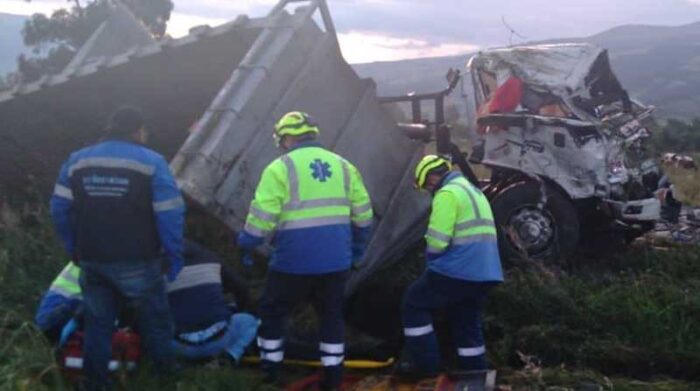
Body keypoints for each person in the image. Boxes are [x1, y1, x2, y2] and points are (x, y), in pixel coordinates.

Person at [50, 106, 185, 390]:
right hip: (138, 259)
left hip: (92, 259)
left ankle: (93, 383)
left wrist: (73, 246)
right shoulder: (152, 162)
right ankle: (167, 380)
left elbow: (59, 209)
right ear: (137, 131)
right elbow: (170, 213)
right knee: (156, 323)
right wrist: (173, 255)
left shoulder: (77, 161)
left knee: (98, 326)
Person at [237, 111, 373, 389]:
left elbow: (262, 217)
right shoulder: (344, 166)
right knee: (331, 317)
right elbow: (364, 217)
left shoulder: (280, 168)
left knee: (273, 312)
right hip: (336, 262)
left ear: (286, 138)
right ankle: (334, 379)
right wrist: (356, 251)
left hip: (292, 261)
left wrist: (246, 244)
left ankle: (270, 375)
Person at [35, 241, 258, 365]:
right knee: (249, 320)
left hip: (177, 346)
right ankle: (231, 356)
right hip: (219, 340)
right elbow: (242, 290)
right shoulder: (210, 257)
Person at [399, 155, 503, 378]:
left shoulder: (447, 194)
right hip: (487, 272)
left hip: (459, 270)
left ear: (433, 177)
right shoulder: (472, 190)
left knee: (414, 302)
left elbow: (437, 242)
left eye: (427, 186)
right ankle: (474, 372)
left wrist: (428, 261)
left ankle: (424, 366)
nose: (429, 191)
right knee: (466, 318)